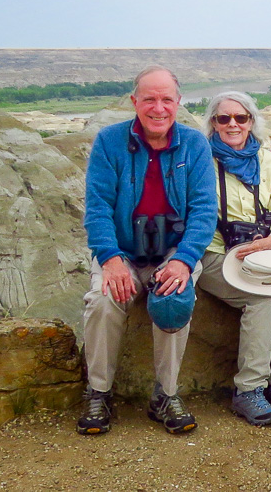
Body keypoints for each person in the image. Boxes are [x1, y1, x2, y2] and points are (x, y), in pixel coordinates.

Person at [78, 65, 217, 435]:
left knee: (173, 300)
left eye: (167, 99)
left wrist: (184, 261)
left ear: (178, 102)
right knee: (104, 300)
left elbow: (204, 211)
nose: (159, 108)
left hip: (173, 251)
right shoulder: (110, 141)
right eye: (150, 99)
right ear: (134, 101)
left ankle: (165, 395)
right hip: (121, 250)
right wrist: (110, 259)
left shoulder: (193, 143)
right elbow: (98, 207)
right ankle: (98, 392)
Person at [194, 91, 271, 427]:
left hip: (263, 251)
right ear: (212, 123)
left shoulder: (265, 159)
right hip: (216, 254)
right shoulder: (201, 161)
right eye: (223, 118)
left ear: (251, 122)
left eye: (240, 118)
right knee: (263, 299)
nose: (232, 124)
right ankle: (249, 389)